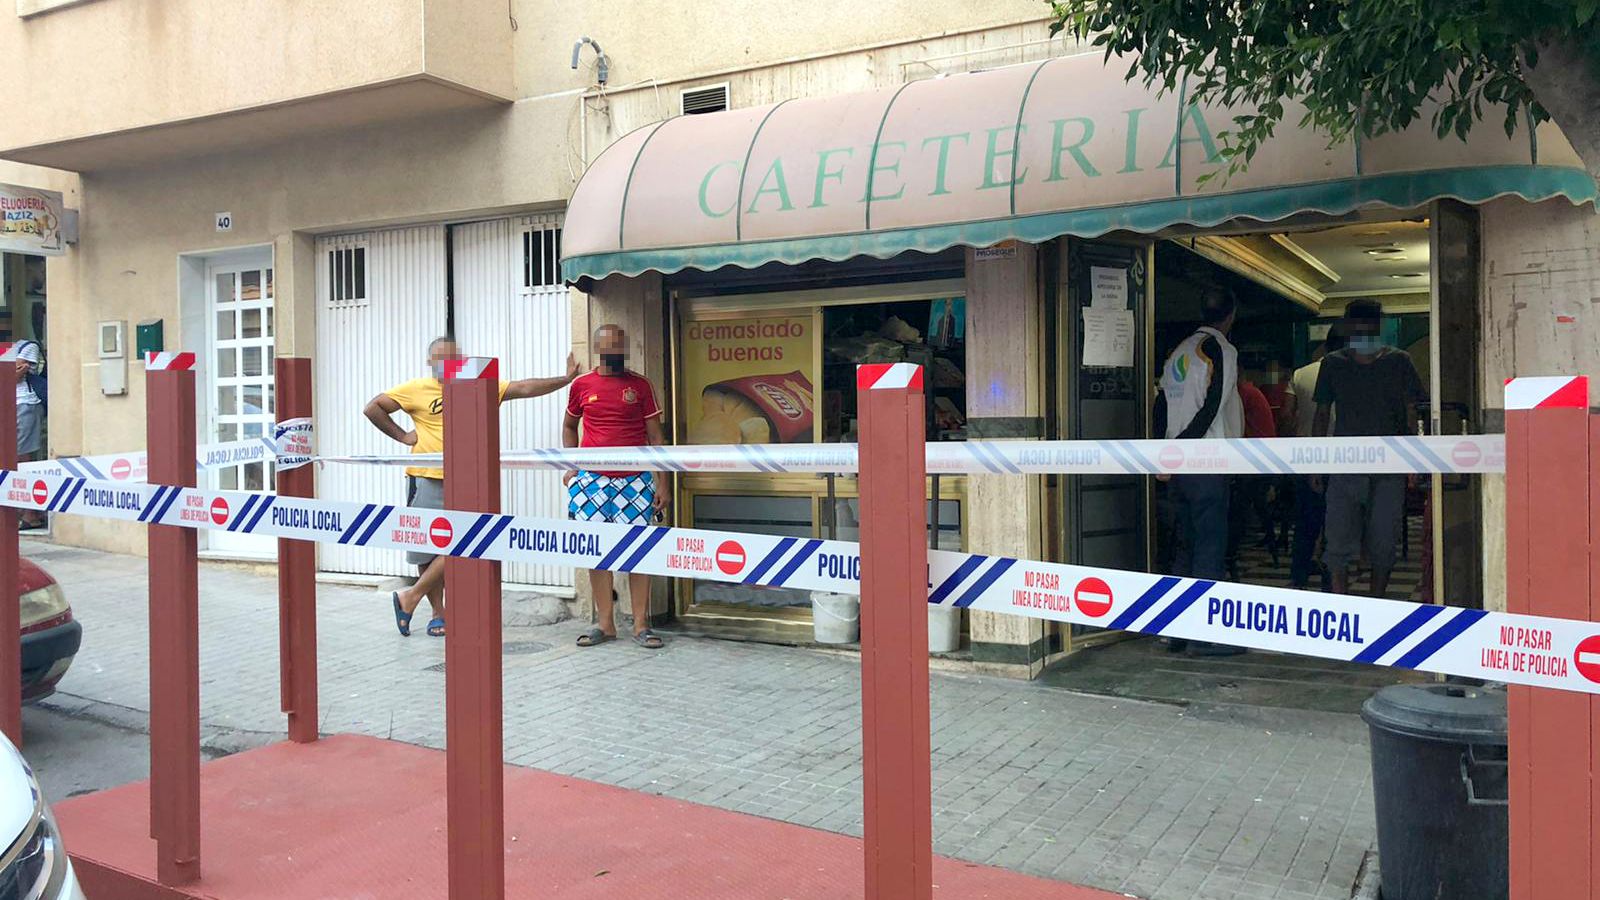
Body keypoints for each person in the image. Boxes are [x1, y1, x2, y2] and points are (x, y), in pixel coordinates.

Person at [365, 336, 579, 637]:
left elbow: (523, 387)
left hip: (465, 479)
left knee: (464, 539)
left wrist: (566, 380)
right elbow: (373, 408)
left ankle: (410, 597)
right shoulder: (415, 389)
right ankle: (439, 615)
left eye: (453, 358)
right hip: (425, 477)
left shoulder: (475, 386)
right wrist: (402, 437)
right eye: (441, 359)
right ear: (430, 362)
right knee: (425, 552)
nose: (447, 364)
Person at [1312, 300, 1425, 598]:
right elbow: (1322, 413)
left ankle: (1374, 603)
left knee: (1383, 542)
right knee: (1337, 542)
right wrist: (1315, 461)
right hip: (1345, 464)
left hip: (1388, 466)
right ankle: (1344, 604)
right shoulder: (1333, 363)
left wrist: (1414, 462)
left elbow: (1412, 411)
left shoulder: (1399, 362)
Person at [564, 324, 667, 650]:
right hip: (592, 482)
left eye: (619, 348)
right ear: (598, 349)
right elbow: (569, 426)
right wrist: (571, 468)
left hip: (635, 482)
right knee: (597, 553)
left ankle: (640, 625)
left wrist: (662, 483)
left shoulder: (640, 385)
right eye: (608, 349)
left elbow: (656, 438)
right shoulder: (582, 385)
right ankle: (605, 625)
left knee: (638, 553)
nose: (615, 354)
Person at [1159, 287, 1244, 655]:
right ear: (1231, 315)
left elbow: (1162, 407)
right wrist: (1186, 445)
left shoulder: (1179, 351)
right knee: (1209, 547)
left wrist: (1166, 452)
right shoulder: (1221, 350)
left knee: (1185, 545)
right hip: (1206, 462)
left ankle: (1176, 631)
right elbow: (1213, 406)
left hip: (1176, 466)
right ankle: (1204, 636)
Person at [1282, 329, 1345, 589]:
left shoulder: (1300, 374)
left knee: (1305, 522)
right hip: (1343, 456)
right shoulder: (1351, 375)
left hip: (1304, 455)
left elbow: (1286, 415)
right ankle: (1330, 583)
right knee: (1336, 523)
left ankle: (1298, 578)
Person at [14, 340, 46, 530]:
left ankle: (31, 513)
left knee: (23, 458)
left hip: (25, 406)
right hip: (7, 405)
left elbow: (15, 373)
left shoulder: (26, 345)